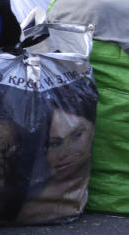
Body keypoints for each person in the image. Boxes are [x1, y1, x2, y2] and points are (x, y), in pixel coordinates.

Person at [15, 96, 96, 224]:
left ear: (93, 128)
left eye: (77, 135)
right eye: (54, 144)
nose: (63, 154)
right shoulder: (27, 199)